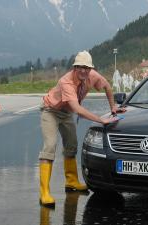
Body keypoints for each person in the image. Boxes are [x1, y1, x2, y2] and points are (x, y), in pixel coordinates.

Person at [39, 50, 125, 208]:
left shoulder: (92, 75)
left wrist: (113, 107)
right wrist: (101, 119)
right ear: (75, 67)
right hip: (51, 111)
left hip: (66, 113)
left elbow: (107, 86)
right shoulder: (66, 82)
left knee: (71, 146)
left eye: (87, 67)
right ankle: (44, 192)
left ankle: (71, 182)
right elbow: (78, 109)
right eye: (80, 67)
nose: (84, 71)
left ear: (90, 68)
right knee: (50, 146)